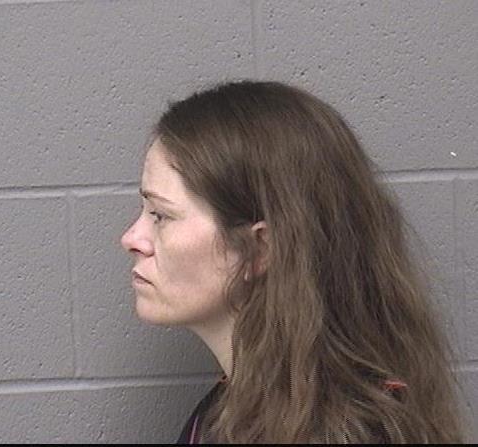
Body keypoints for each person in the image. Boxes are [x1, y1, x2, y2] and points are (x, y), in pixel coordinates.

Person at [120, 79, 466, 443]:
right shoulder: (225, 413)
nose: (132, 239)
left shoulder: (348, 434)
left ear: (260, 248)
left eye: (160, 215)